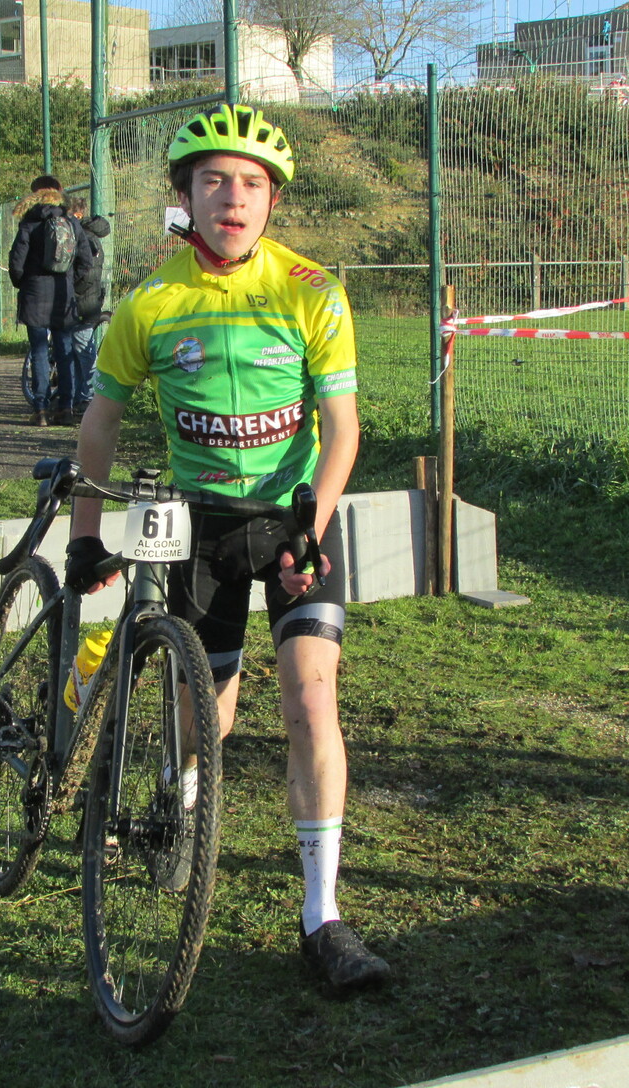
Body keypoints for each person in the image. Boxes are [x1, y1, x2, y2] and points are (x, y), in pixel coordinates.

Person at [63, 103, 389, 992]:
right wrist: (85, 539)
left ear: (273, 200)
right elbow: (100, 423)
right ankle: (183, 806)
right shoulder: (153, 301)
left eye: (251, 183)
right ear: (186, 195)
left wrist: (312, 527)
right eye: (213, 181)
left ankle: (322, 916)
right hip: (199, 527)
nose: (232, 198)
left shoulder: (312, 290)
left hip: (295, 519)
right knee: (206, 711)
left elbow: (342, 428)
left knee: (311, 701)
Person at [8, 174, 89, 426]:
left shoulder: (29, 222)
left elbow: (16, 262)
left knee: (39, 351)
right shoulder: (70, 221)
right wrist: (70, 281)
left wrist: (24, 282)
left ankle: (41, 409)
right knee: (65, 351)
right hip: (63, 294)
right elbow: (85, 260)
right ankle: (66, 408)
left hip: (35, 293)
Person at [66, 196, 111, 416]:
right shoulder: (87, 235)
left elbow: (88, 272)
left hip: (82, 302)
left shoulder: (84, 237)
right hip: (88, 300)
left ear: (76, 214)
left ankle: (90, 396)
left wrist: (72, 291)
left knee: (83, 350)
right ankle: (81, 395)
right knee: (79, 349)